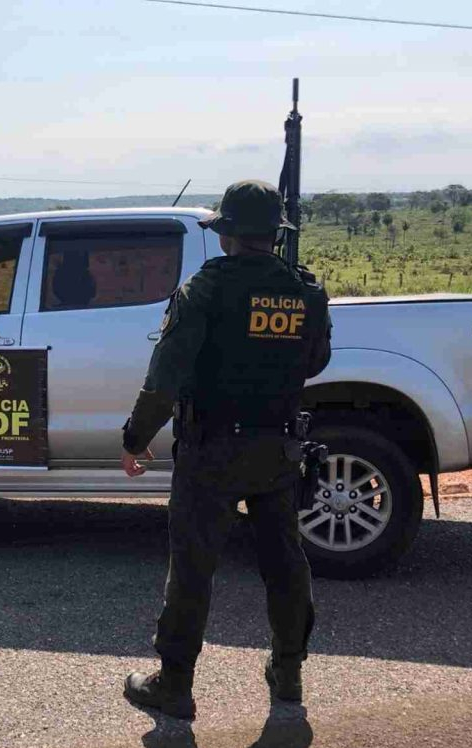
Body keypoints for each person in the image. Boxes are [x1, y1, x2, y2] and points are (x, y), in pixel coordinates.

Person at [120, 179, 332, 720]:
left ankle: (175, 684)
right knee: (285, 563)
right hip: (279, 451)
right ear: (274, 234)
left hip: (210, 451)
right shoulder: (305, 291)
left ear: (228, 235)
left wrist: (135, 439)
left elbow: (166, 378)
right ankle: (288, 674)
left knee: (193, 568)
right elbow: (315, 362)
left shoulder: (205, 289)